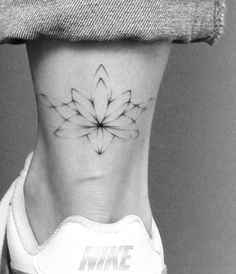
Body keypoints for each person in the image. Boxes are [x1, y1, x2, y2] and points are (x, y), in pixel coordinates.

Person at [0, 1, 226, 273]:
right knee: (109, 200)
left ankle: (70, 213)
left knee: (80, 201)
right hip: (138, 256)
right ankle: (119, 237)